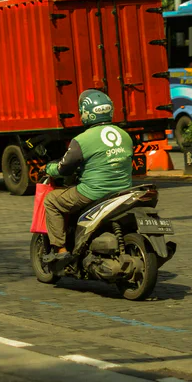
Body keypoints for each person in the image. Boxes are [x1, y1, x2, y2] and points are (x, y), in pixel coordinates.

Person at [43, 89, 133, 262]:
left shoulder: (81, 140)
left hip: (92, 193)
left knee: (52, 200)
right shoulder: (125, 135)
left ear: (85, 113)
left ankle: (60, 250)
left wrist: (48, 168)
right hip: (123, 192)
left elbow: (64, 168)